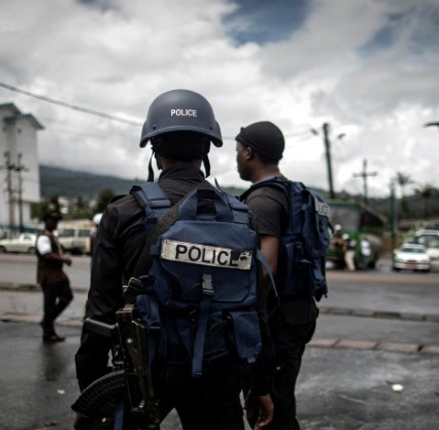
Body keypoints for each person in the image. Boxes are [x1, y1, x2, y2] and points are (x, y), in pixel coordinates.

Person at [74, 90, 273, 430]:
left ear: (154, 147)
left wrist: (92, 394)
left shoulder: (123, 212)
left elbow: (100, 315)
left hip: (146, 369)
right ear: (207, 147)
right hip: (220, 370)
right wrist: (261, 385)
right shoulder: (241, 217)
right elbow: (256, 309)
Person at [235, 120, 318, 430]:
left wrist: (249, 323)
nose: (236, 156)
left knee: (269, 411)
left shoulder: (263, 199)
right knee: (280, 402)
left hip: (276, 320)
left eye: (238, 149)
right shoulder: (292, 191)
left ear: (249, 153)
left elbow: (266, 269)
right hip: (298, 311)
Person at [35, 211, 73, 343]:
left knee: (67, 296)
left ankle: (47, 321)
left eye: (56, 221)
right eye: (52, 221)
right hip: (48, 276)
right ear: (46, 221)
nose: (55, 223)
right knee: (49, 305)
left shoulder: (51, 236)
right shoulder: (43, 237)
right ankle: (48, 332)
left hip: (58, 275)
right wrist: (63, 260)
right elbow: (46, 254)